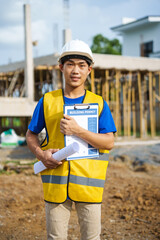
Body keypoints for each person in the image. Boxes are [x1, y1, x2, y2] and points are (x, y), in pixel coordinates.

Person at [26, 39, 117, 240]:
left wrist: (78, 131)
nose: (76, 70)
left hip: (89, 186)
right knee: (55, 237)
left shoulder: (99, 103)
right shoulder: (47, 101)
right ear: (61, 67)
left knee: (91, 238)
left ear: (89, 70)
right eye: (70, 64)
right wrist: (41, 154)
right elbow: (30, 134)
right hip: (55, 184)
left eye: (81, 65)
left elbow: (109, 142)